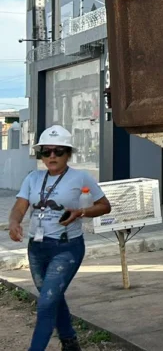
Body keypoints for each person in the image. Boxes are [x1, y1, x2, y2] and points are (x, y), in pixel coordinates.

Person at [8, 125, 112, 351]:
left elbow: (105, 206)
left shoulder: (81, 177)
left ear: (68, 154)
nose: (52, 156)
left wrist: (81, 212)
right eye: (46, 152)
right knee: (52, 296)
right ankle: (70, 341)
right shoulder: (33, 178)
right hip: (37, 248)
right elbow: (20, 205)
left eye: (58, 151)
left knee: (46, 303)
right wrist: (14, 222)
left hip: (66, 249)